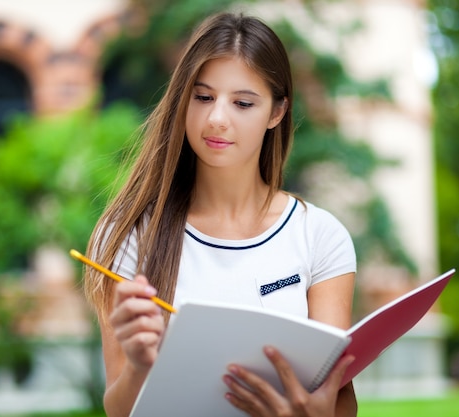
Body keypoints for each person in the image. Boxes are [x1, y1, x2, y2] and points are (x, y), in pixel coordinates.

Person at [83, 11, 357, 417]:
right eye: (203, 96)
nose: (216, 119)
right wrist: (141, 366)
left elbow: (342, 402)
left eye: (243, 103)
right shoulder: (128, 233)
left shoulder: (320, 236)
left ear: (277, 112)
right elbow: (118, 410)